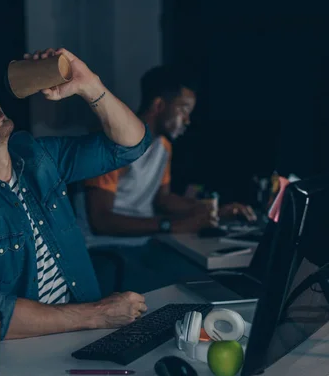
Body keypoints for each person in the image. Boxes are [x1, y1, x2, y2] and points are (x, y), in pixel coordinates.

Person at [0, 48, 152, 340]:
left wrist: (89, 85)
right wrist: (99, 314)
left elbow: (131, 145)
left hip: (87, 339)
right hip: (24, 361)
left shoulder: (35, 156)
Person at [78, 66, 256, 248]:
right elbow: (101, 221)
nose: (187, 120)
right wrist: (173, 225)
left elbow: (162, 199)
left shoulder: (164, 147)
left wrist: (213, 210)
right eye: (183, 110)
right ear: (159, 105)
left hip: (143, 242)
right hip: (104, 248)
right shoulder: (113, 143)